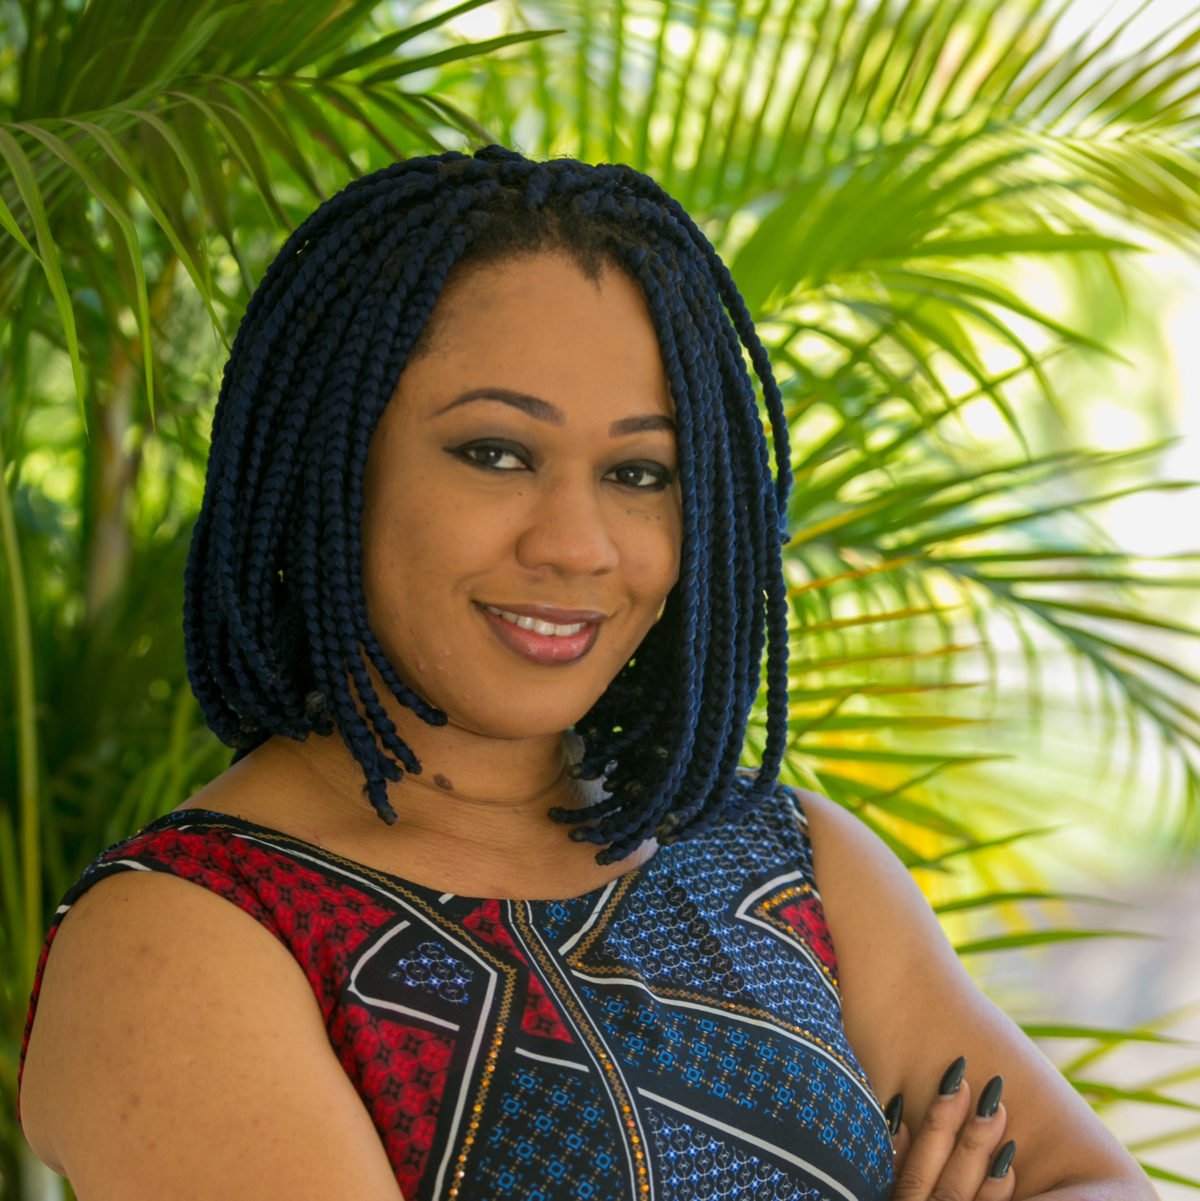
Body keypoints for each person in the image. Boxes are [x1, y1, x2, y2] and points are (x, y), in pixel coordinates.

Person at [18, 147, 1152, 1201]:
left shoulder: (790, 860)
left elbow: (1093, 1183)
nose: (576, 545)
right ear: (333, 460)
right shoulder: (181, 939)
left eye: (640, 472)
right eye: (496, 453)